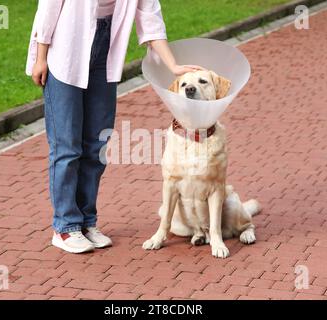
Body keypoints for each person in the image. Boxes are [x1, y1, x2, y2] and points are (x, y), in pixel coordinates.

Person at [26, 0, 202, 254]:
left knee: (97, 145)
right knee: (67, 147)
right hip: (64, 51)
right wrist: (40, 57)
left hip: (104, 52)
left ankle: (86, 223)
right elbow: (48, 8)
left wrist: (173, 65)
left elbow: (150, 17)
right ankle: (65, 226)